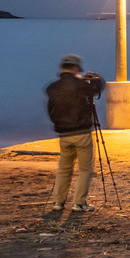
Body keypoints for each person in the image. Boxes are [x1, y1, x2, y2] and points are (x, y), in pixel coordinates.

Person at [45, 54, 105, 212]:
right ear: (75, 69)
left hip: (63, 134)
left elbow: (50, 110)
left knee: (64, 168)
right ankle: (79, 203)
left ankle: (58, 202)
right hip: (82, 132)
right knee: (85, 169)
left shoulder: (53, 88)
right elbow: (99, 87)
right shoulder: (81, 86)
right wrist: (94, 78)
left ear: (61, 68)